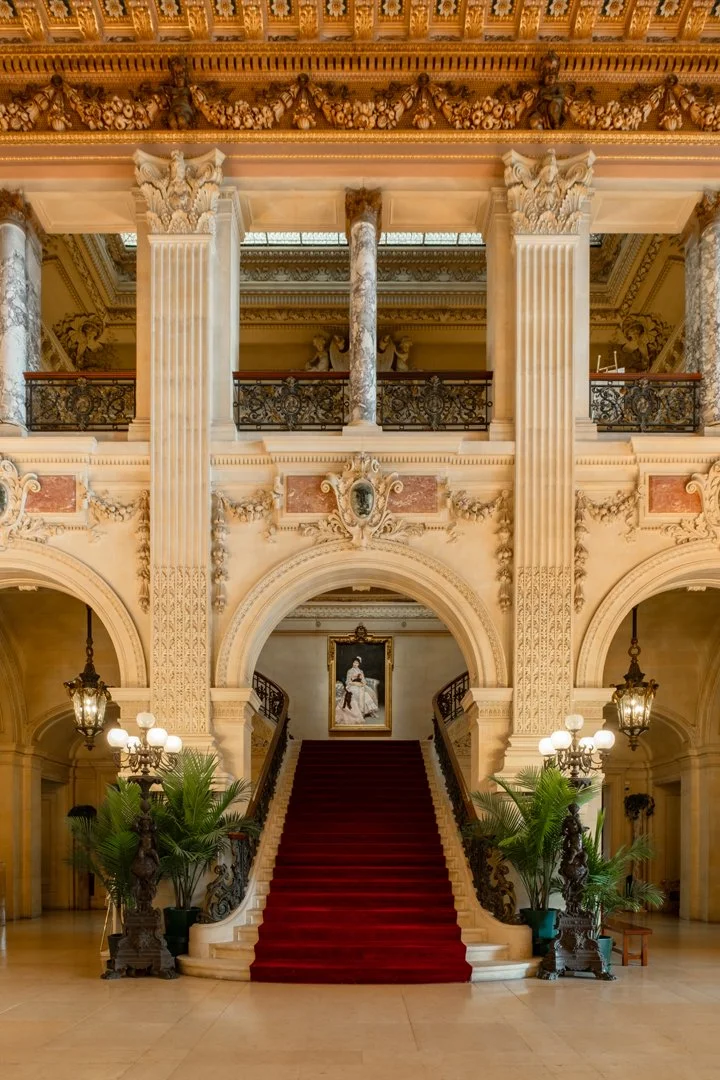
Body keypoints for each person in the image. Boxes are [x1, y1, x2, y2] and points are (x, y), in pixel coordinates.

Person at [335, 656, 378, 724]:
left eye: (357, 663)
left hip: (360, 685)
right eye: (354, 663)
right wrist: (355, 683)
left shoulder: (361, 671)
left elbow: (364, 681)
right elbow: (347, 681)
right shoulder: (350, 671)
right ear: (352, 663)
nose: (355, 664)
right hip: (352, 685)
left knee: (369, 692)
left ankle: (370, 711)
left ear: (359, 664)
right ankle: (358, 713)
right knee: (356, 692)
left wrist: (362, 683)